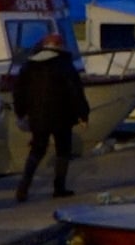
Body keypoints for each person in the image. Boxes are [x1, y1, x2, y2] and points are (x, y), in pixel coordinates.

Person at [12, 32, 91, 203]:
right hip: (62, 116)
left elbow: (19, 92)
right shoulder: (64, 65)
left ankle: (23, 187)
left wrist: (20, 112)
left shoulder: (29, 65)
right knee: (63, 150)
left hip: (37, 116)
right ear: (59, 46)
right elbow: (75, 92)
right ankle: (59, 188)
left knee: (37, 150)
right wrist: (83, 114)